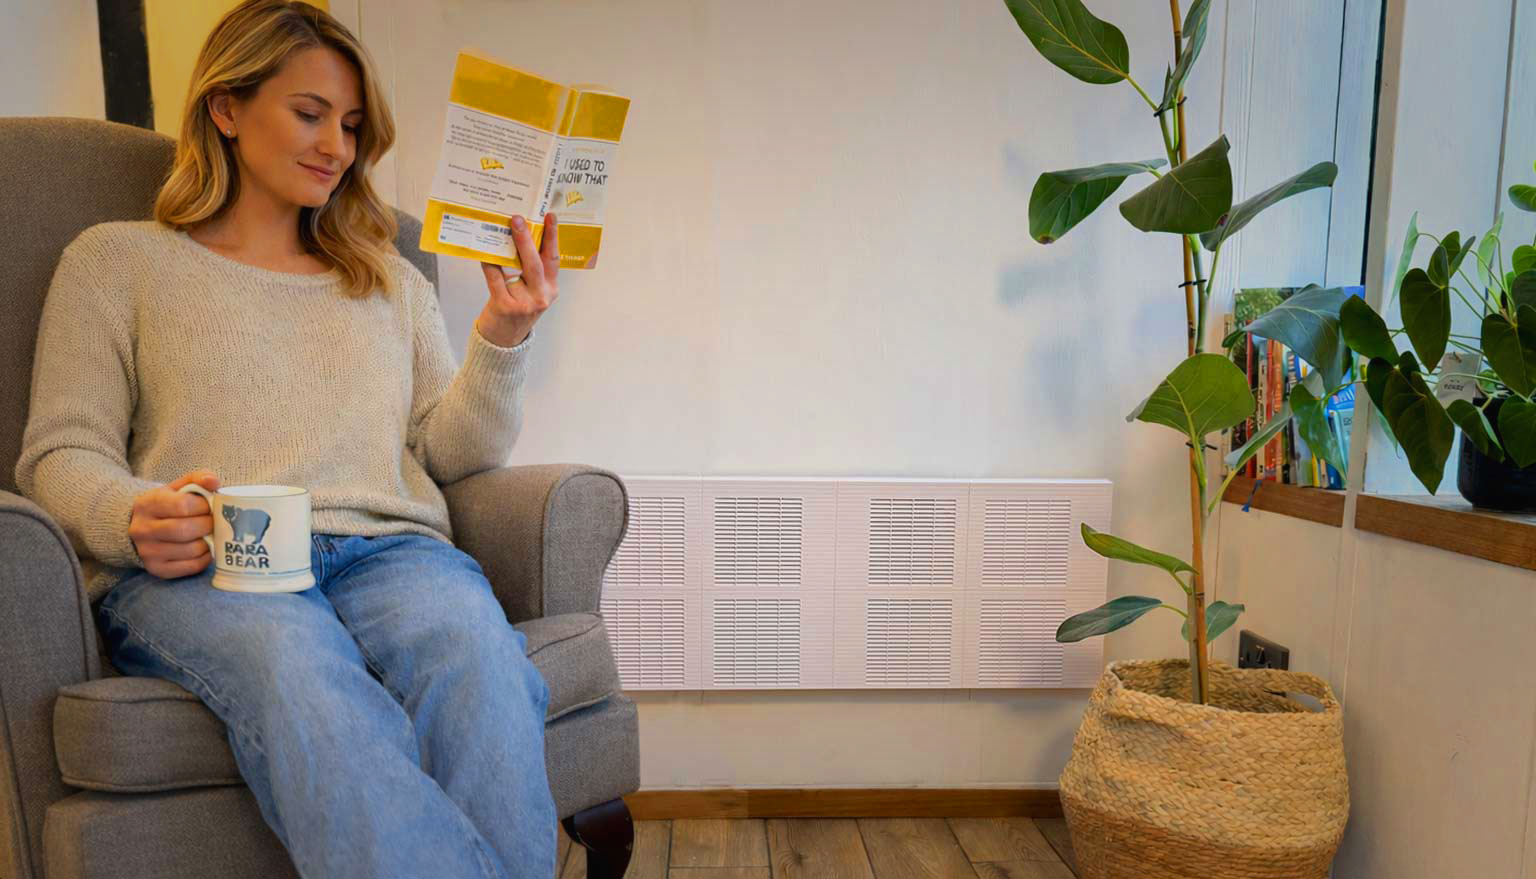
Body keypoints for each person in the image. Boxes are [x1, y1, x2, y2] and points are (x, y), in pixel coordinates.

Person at [12, 2, 563, 877]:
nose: (337, 146)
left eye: (350, 125)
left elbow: (450, 452)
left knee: (477, 656)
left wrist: (502, 331)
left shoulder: (389, 277)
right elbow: (58, 453)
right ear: (226, 109)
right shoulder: (115, 262)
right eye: (310, 114)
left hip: (392, 552)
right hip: (216, 565)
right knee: (302, 676)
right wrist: (131, 515)